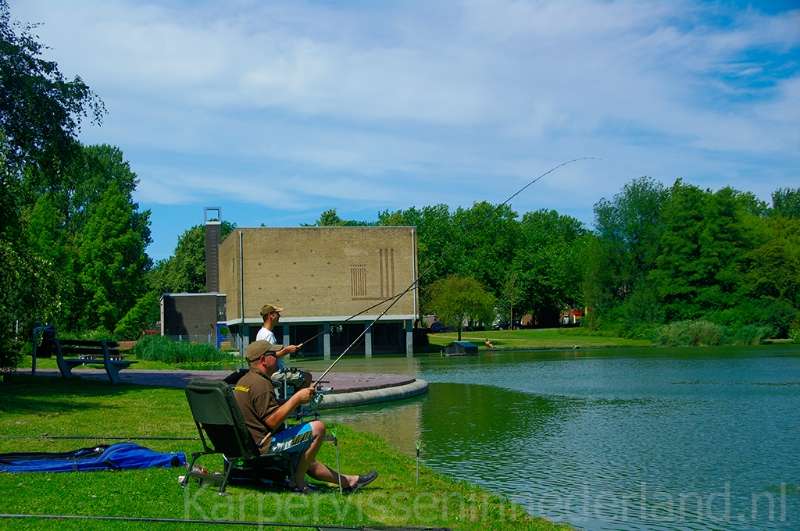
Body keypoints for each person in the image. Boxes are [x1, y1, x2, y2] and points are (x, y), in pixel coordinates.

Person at [234, 340, 378, 494]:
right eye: (273, 354)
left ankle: (349, 482)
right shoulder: (261, 384)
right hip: (264, 445)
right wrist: (296, 399)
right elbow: (271, 422)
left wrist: (289, 401)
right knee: (318, 428)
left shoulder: (245, 380)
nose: (277, 357)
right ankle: (298, 482)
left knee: (306, 460)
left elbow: (261, 412)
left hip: (249, 444)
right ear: (263, 360)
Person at [257, 303, 312, 393]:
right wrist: (287, 351)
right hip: (274, 374)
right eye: (277, 313)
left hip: (269, 372)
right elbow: (268, 358)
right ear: (271, 315)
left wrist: (286, 349)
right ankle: (298, 404)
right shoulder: (268, 335)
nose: (279, 316)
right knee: (307, 376)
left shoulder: (261, 332)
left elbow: (269, 353)